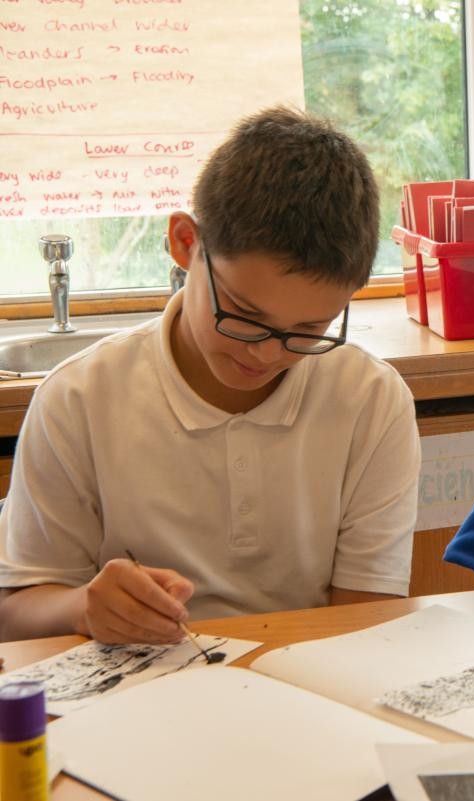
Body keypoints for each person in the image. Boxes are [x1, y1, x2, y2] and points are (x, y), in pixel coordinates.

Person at [0, 106, 420, 643]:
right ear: (185, 243)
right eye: (244, 318)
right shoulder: (79, 398)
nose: (269, 355)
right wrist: (84, 607)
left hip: (305, 686)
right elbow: (16, 614)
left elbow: (365, 622)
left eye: (308, 329)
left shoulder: (371, 401)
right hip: (132, 694)